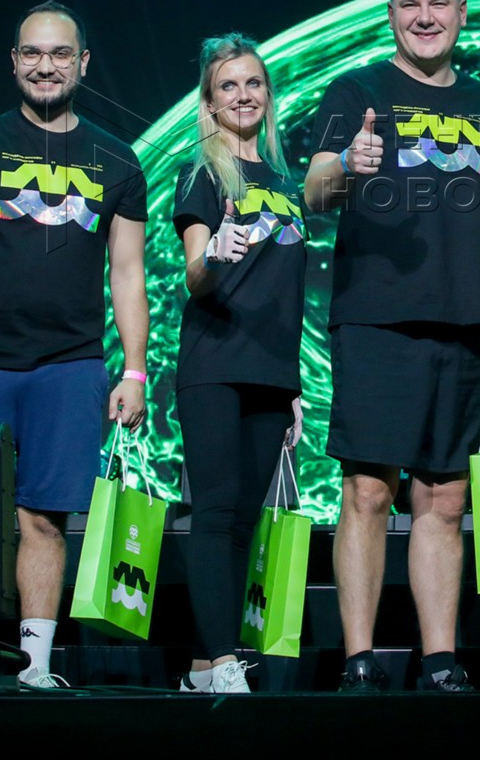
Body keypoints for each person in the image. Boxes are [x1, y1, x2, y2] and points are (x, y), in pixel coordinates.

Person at [0, 1, 149, 688]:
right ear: (14, 62)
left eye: (60, 53)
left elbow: (128, 274)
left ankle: (35, 665)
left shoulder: (117, 158)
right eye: (33, 53)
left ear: (83, 63)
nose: (46, 66)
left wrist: (133, 369)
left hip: (68, 366)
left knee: (44, 518)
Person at [304, 0, 480, 694]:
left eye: (438, 4)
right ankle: (359, 660)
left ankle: (440, 660)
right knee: (368, 491)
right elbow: (314, 191)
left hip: (464, 325)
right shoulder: (357, 91)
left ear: (462, 12)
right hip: (377, 320)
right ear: (391, 14)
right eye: (409, 6)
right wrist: (347, 163)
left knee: (445, 498)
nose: (424, 18)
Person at [172, 35, 306, 696]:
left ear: (268, 95)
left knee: (244, 522)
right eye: (228, 85)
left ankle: (204, 665)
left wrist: (294, 387)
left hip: (272, 372)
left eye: (253, 83)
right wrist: (213, 255)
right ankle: (225, 659)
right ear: (210, 102)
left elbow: (286, 291)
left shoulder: (287, 184)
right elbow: (195, 276)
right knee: (216, 511)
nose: (243, 95)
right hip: (215, 364)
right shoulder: (203, 172)